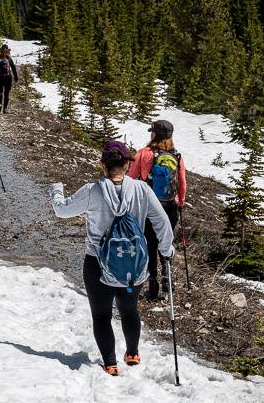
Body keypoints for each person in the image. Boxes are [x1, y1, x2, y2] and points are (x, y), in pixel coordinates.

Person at [49, 140, 174, 377]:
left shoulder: (92, 190)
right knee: (129, 310)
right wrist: (167, 251)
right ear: (127, 166)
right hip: (134, 265)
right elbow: (162, 223)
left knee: (102, 315)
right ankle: (133, 353)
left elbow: (61, 210)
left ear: (103, 165)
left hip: (97, 264)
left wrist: (56, 190)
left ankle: (110, 363)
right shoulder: (142, 190)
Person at [128, 119, 187, 301]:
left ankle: (152, 282)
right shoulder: (176, 155)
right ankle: (167, 276)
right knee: (166, 240)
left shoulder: (145, 153)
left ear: (154, 134)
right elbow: (182, 181)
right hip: (170, 205)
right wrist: (181, 201)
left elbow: (131, 177)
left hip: (150, 205)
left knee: (150, 244)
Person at [0, 44, 18, 113]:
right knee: (7, 93)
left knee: (0, 91)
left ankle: (0, 104)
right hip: (8, 77)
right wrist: (16, 77)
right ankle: (5, 109)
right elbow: (13, 68)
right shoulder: (9, 59)